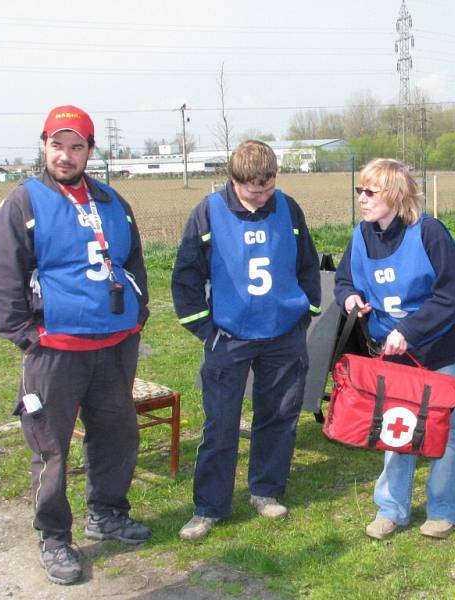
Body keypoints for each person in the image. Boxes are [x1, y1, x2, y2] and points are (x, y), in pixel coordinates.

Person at [0, 105, 151, 585]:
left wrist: (137, 315)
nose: (66, 155)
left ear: (90, 151)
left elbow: (133, 262)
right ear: (45, 146)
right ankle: (54, 537)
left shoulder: (114, 201)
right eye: (58, 145)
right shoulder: (24, 202)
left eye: (77, 146)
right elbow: (0, 274)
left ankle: (108, 512)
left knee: (117, 436)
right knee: (51, 448)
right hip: (55, 351)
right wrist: (24, 334)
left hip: (114, 345)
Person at [172, 140, 321, 540]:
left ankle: (266, 490)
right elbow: (185, 276)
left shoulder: (288, 208)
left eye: (268, 187)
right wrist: (205, 328)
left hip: (283, 335)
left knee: (278, 418)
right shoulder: (207, 211)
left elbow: (308, 262)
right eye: (253, 189)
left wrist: (307, 312)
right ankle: (209, 506)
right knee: (221, 424)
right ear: (233, 180)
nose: (261, 196)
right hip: (229, 338)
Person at [334, 158, 455, 541]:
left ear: (395, 196)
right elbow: (344, 280)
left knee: (444, 428)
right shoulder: (361, 235)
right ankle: (391, 508)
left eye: (370, 192)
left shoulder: (429, 232)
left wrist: (409, 330)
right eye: (359, 191)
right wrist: (350, 299)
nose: (361, 198)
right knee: (395, 426)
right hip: (394, 355)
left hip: (442, 350)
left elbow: (451, 296)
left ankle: (444, 508)